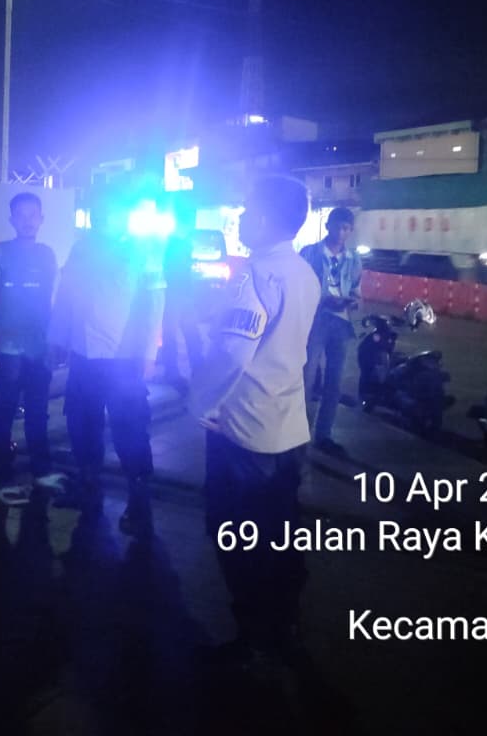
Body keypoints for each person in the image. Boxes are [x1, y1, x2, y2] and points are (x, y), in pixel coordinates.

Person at [194, 175, 320, 666]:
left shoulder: (255, 277)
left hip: (245, 432)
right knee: (281, 533)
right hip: (289, 427)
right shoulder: (304, 273)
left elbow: (232, 355)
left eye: (247, 210)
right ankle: (285, 624)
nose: (243, 218)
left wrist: (201, 403)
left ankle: (252, 637)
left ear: (264, 219)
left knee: (235, 536)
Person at [48, 196, 165, 537]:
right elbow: (66, 295)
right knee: (81, 425)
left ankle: (139, 502)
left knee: (130, 431)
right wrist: (58, 338)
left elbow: (155, 303)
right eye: (99, 214)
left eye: (110, 213)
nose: (103, 219)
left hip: (123, 358)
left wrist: (149, 353)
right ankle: (88, 487)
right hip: (83, 355)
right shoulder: (81, 249)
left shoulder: (144, 250)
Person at [0, 192, 67, 506]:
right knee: (4, 410)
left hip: (39, 347)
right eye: (21, 215)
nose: (28, 221)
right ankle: (3, 478)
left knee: (37, 411)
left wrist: (55, 339)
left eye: (33, 215)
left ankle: (41, 471)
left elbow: (51, 301)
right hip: (6, 346)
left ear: (41, 219)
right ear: (12, 219)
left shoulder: (47, 254)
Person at [300, 206, 362, 457]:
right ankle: (299, 434)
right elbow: (299, 288)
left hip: (341, 322)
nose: (342, 232)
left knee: (334, 383)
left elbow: (356, 288)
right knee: (306, 380)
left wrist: (354, 301)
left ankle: (323, 435)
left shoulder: (353, 259)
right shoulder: (310, 253)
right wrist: (323, 300)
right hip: (315, 320)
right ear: (328, 226)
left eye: (346, 228)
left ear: (351, 231)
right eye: (338, 227)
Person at [159, 226, 204, 393]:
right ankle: (193, 371)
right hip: (179, 295)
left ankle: (175, 372)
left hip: (176, 295)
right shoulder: (180, 245)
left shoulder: (172, 245)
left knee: (177, 337)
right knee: (187, 336)